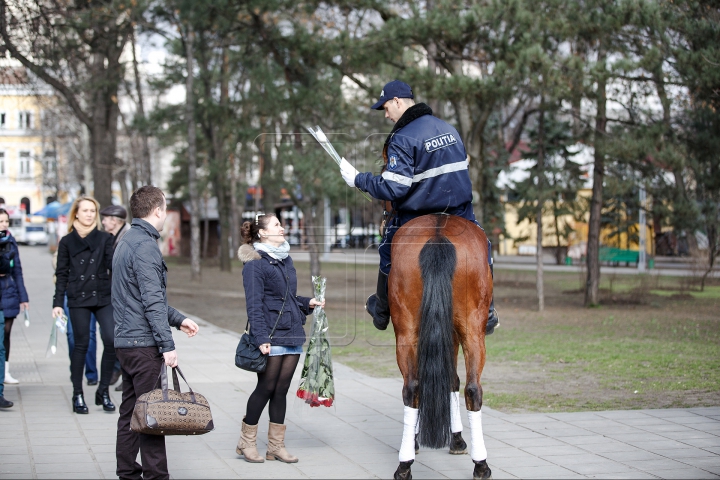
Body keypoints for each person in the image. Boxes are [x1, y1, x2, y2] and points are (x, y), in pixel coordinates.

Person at [339, 80, 499, 334]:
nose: (387, 115)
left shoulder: (402, 138)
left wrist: (358, 179)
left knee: (387, 248)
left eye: (386, 108)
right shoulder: (449, 129)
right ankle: (488, 311)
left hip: (418, 214)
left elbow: (394, 188)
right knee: (483, 245)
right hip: (460, 212)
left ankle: (381, 310)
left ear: (398, 101)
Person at [113, 185, 199, 480]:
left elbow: (143, 298)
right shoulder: (145, 245)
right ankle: (156, 475)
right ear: (158, 210)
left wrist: (179, 319)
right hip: (142, 344)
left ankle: (127, 470)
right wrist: (167, 345)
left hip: (126, 344)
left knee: (131, 411)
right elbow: (150, 301)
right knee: (153, 414)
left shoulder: (126, 241)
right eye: (165, 207)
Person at [235, 213, 324, 464]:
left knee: (281, 390)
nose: (282, 228)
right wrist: (261, 337)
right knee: (266, 388)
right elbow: (254, 305)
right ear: (262, 232)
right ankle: (246, 442)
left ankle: (275, 446)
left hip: (292, 330)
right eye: (276, 225)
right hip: (271, 334)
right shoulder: (254, 262)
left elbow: (287, 298)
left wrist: (309, 303)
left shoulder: (285, 259)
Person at [52, 196, 117, 414]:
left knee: (111, 340)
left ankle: (103, 390)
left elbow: (112, 266)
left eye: (93, 211)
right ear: (76, 214)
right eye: (85, 210)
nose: (89, 214)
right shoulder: (67, 242)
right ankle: (77, 393)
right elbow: (61, 274)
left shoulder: (105, 238)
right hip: (78, 297)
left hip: (102, 295)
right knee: (80, 344)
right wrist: (57, 303)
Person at [100, 204, 131, 391]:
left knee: (121, 336)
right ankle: (119, 370)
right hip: (117, 294)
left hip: (125, 296)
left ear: (114, 221)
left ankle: (124, 373)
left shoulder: (125, 237)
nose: (102, 222)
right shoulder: (114, 236)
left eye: (105, 218)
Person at [0, 208, 29, 385]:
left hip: (8, 292)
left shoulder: (11, 241)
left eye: (6, 222)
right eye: (0, 222)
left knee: (6, 333)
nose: (4, 225)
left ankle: (5, 370)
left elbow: (17, 270)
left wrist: (23, 297)